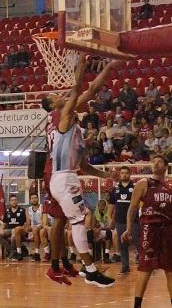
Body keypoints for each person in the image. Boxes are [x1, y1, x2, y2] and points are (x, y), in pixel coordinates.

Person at [41, 57, 120, 285]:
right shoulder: (61, 120)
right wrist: (81, 67)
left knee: (79, 219)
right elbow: (78, 90)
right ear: (52, 106)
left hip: (66, 177)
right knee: (77, 220)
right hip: (61, 178)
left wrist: (107, 68)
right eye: (55, 96)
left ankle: (71, 265)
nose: (60, 96)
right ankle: (89, 269)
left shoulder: (73, 128)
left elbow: (91, 90)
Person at [121, 154, 172, 308]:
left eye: (159, 161)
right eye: (153, 162)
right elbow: (132, 208)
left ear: (166, 166)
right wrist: (129, 228)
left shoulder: (170, 187)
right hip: (149, 229)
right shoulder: (144, 183)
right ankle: (137, 305)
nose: (155, 164)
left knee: (170, 269)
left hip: (168, 230)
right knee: (146, 268)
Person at [107, 166, 138, 274]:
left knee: (138, 241)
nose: (124, 175)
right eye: (122, 173)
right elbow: (111, 204)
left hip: (134, 220)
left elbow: (141, 203)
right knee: (122, 243)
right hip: (120, 220)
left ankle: (145, 263)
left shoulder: (135, 187)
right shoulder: (115, 188)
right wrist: (110, 218)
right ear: (119, 175)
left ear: (130, 174)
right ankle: (125, 266)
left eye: (126, 173)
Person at [0, 195, 27, 261]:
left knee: (14, 235)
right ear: (10, 202)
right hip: (9, 229)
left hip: (19, 230)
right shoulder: (7, 211)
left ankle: (14, 255)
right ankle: (12, 251)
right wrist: (1, 229)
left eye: (15, 200)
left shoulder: (22, 210)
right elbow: (4, 223)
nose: (14, 202)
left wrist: (18, 229)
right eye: (12, 200)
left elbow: (25, 224)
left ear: (17, 201)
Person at [26, 194, 43, 262]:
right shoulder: (28, 209)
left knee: (35, 229)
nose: (34, 199)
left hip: (42, 226)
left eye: (35, 198)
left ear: (38, 199)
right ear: (30, 200)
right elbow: (28, 222)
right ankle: (19, 253)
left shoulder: (42, 207)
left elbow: (44, 221)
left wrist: (36, 227)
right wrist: (28, 227)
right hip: (33, 228)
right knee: (29, 229)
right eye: (32, 198)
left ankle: (37, 253)